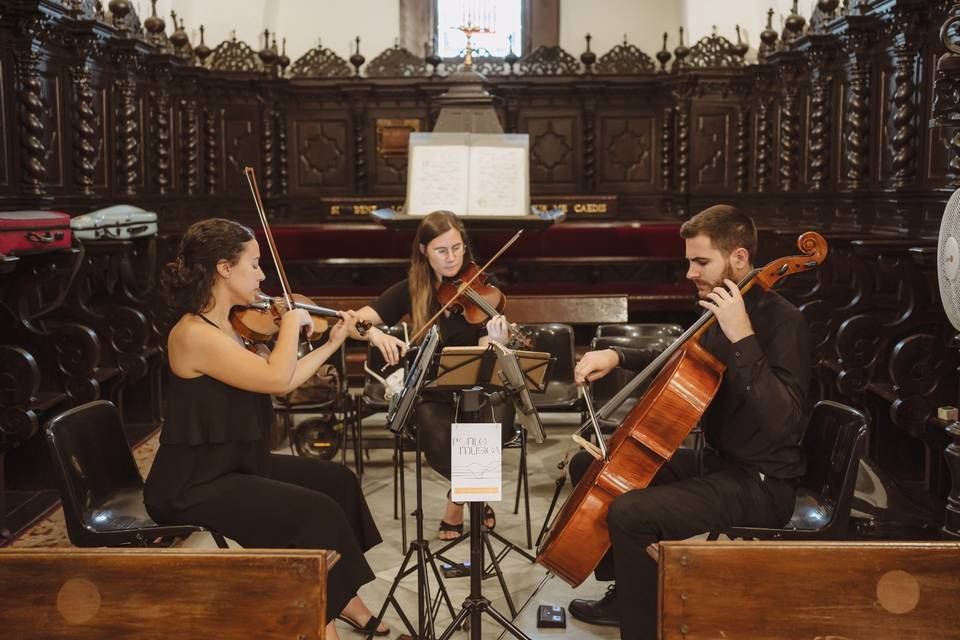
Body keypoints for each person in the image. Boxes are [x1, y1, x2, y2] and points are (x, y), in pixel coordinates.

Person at [566, 205, 810, 640]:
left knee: (631, 512)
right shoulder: (717, 309)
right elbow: (683, 359)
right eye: (689, 262)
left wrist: (743, 339)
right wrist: (616, 356)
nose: (690, 273)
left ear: (738, 258)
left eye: (701, 262)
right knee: (595, 466)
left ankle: (642, 629)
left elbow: (786, 426)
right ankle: (627, 594)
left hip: (762, 482)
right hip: (719, 462)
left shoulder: (783, 321)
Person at [143, 218, 388, 640]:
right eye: (254, 265)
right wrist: (291, 329)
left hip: (237, 464)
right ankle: (320, 623)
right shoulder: (193, 335)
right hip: (193, 483)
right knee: (314, 513)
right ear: (223, 268)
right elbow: (277, 378)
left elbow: (284, 377)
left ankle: (345, 602)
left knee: (338, 482)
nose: (262, 276)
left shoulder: (235, 326)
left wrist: (333, 342)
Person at [353, 210, 516, 540]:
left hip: (478, 385)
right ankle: (474, 495)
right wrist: (375, 334)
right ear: (423, 251)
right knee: (438, 442)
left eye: (457, 248)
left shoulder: (484, 284)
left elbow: (486, 351)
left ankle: (458, 501)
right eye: (442, 250)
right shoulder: (410, 288)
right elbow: (357, 321)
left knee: (496, 427)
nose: (452, 258)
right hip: (433, 390)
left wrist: (496, 342)